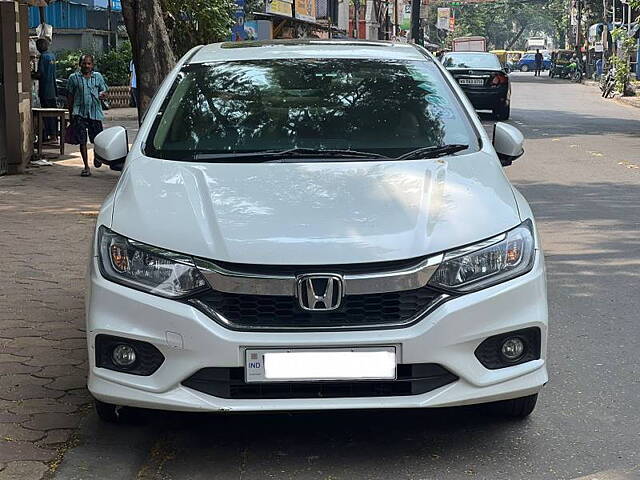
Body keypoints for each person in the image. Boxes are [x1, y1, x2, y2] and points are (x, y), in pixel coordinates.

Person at [66, 54, 108, 177]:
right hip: (79, 113)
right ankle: (86, 166)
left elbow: (104, 90)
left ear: (92, 65)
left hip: (95, 113)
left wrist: (103, 94)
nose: (86, 66)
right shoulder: (73, 78)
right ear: (80, 64)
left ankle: (97, 157)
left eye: (89, 63)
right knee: (82, 140)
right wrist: (71, 115)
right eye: (84, 63)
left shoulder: (97, 77)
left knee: (97, 139)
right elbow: (70, 97)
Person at [33, 38, 57, 141]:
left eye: (38, 46)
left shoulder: (43, 57)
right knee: (53, 114)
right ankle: (54, 135)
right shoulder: (52, 56)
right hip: (52, 89)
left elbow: (40, 74)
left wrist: (30, 74)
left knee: (46, 114)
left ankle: (50, 135)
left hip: (45, 90)